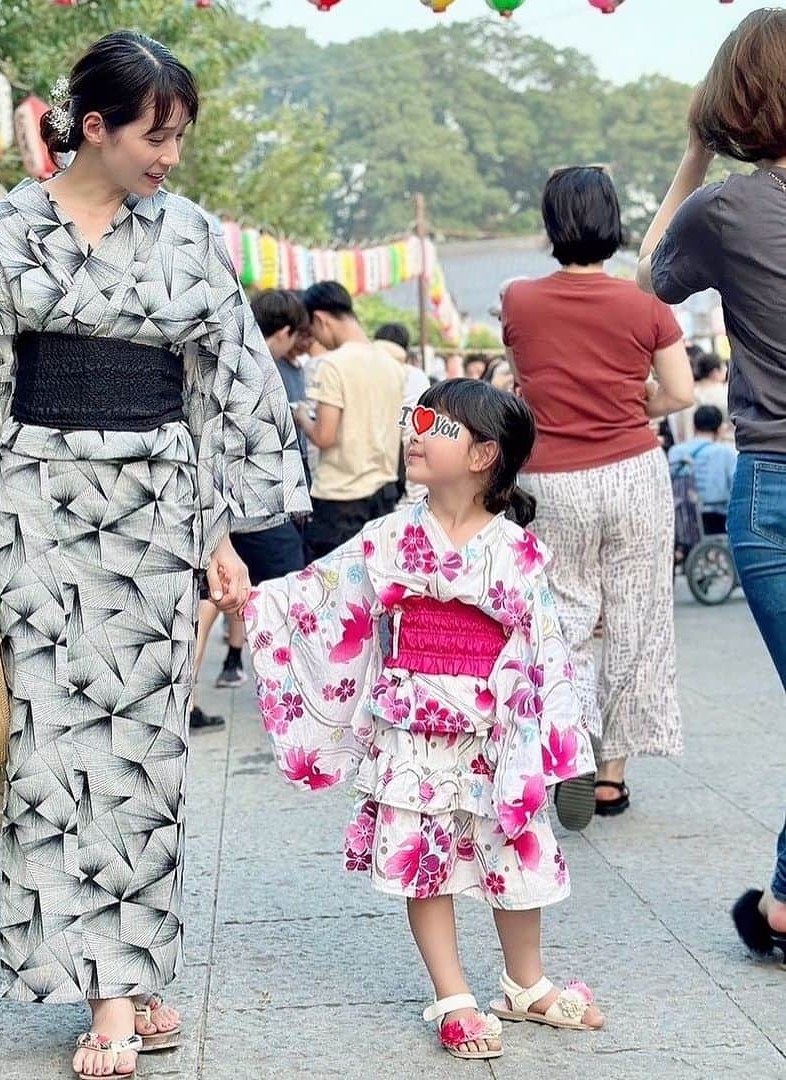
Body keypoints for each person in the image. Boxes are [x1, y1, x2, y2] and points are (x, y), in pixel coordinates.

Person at [0, 31, 310, 1080]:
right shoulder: (6, 231)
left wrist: (225, 536)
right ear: (93, 127)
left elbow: (225, 387)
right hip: (39, 500)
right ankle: (104, 990)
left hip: (154, 508)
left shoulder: (185, 235)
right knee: (54, 752)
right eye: (156, 134)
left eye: (178, 137)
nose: (169, 156)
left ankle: (127, 985)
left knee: (143, 750)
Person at [244, 380, 604, 1061]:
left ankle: (525, 983)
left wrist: (550, 740)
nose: (416, 429)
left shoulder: (519, 551)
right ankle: (454, 992)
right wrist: (261, 602)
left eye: (437, 423)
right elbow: (322, 593)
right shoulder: (390, 536)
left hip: (494, 724)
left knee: (513, 847)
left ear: (483, 455)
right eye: (417, 416)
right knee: (424, 857)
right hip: (412, 723)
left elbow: (545, 643)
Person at [635, 6, 786, 968]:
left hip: (772, 483)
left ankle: (782, 901)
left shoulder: (724, 209)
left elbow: (642, 293)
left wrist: (692, 158)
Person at [503, 166, 693, 821]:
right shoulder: (647, 306)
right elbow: (682, 394)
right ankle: (611, 776)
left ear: (553, 225)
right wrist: (638, 399)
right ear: (613, 222)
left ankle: (571, 753)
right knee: (636, 619)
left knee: (565, 620)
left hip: (551, 477)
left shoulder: (518, 299)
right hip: (634, 471)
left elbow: (522, 376)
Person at [206, 290, 310, 690]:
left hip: (221, 508)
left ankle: (208, 681)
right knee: (287, 601)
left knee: (215, 597)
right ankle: (295, 687)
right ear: (283, 331)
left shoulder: (221, 356)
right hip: (264, 506)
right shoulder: (264, 366)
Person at [296, 282, 407, 560]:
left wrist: (301, 417)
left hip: (339, 501)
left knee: (331, 592)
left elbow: (324, 436)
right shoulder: (392, 366)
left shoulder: (333, 365)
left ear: (321, 319)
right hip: (383, 494)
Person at [376, 321, 430, 507]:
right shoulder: (417, 376)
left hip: (380, 466)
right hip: (407, 466)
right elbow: (412, 429)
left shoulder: (372, 374)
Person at [667, 404, 737, 536]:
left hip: (682, 518)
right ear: (720, 429)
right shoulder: (726, 452)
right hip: (716, 519)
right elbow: (735, 488)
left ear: (694, 426)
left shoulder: (675, 452)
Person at [673, 350, 734, 446]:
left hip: (691, 452)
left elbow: (680, 429)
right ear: (714, 372)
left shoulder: (688, 395)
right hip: (726, 447)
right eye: (723, 368)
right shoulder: (728, 392)